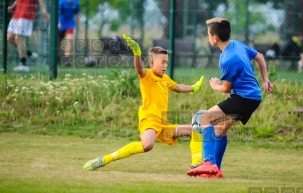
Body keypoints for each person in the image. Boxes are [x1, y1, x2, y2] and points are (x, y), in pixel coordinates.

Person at [83, 34, 204, 171]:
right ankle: (105, 159)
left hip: (162, 123)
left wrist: (194, 88)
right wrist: (137, 53)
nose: (165, 65)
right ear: (152, 63)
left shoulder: (165, 79)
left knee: (194, 130)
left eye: (167, 62)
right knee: (147, 145)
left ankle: (197, 164)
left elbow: (179, 87)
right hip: (149, 120)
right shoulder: (147, 75)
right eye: (162, 62)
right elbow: (139, 68)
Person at [186, 17, 273, 178]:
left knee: (205, 119)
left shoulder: (228, 59)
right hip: (253, 97)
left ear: (215, 38)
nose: (208, 37)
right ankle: (215, 170)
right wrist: (265, 80)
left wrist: (215, 86)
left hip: (243, 99)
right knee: (220, 129)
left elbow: (226, 88)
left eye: (208, 34)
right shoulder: (236, 45)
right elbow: (260, 56)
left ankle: (208, 162)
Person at [7, 0, 50, 72]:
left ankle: (24, 65)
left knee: (19, 38)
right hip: (16, 14)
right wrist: (12, 6)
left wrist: (43, 9)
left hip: (26, 14)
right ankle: (28, 53)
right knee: (9, 38)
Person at [58, 0, 81, 67]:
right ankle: (56, 58)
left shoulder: (76, 3)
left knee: (70, 40)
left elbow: (77, 14)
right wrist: (58, 23)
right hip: (61, 24)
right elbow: (57, 13)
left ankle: (66, 60)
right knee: (58, 43)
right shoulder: (62, 2)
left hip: (70, 24)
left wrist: (80, 25)